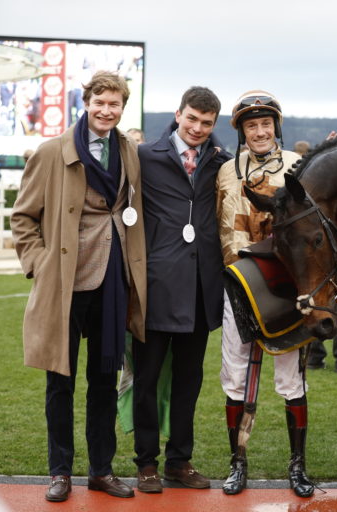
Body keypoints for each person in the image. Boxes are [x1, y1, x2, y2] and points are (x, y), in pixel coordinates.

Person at [11, 70, 146, 502]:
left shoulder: (128, 151)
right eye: (100, 102)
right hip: (65, 284)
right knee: (60, 383)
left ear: (122, 108)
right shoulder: (53, 151)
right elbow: (23, 217)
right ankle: (60, 471)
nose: (107, 111)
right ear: (86, 103)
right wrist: (40, 264)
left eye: (115, 104)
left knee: (105, 381)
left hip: (111, 281)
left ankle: (101, 470)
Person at [215, 90, 316, 497]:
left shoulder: (298, 166)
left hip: (283, 287)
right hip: (237, 284)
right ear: (241, 129)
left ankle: (298, 466)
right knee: (235, 375)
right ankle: (237, 463)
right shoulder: (224, 171)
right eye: (251, 125)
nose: (259, 131)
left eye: (265, 124)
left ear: (276, 126)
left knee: (290, 378)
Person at [132, 86, 232, 493]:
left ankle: (179, 461)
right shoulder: (144, 157)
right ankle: (146, 463)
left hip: (199, 288)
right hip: (156, 286)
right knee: (148, 379)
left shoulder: (221, 162)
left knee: (189, 380)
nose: (197, 128)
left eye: (207, 123)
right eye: (192, 119)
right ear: (178, 114)